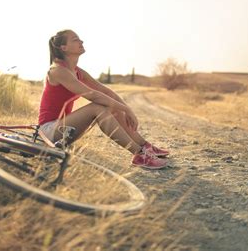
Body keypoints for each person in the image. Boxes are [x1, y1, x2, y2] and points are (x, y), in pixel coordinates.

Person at [38, 29, 169, 170]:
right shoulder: (57, 70)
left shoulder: (77, 71)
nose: (81, 41)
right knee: (98, 107)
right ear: (63, 48)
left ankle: (144, 146)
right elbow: (93, 95)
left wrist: (125, 108)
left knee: (110, 105)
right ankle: (139, 154)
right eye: (75, 39)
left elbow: (105, 91)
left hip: (65, 130)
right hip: (48, 132)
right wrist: (125, 109)